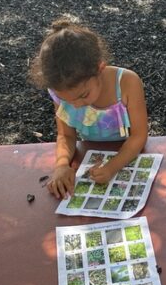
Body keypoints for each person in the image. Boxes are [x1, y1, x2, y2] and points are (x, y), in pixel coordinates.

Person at [30, 19, 148, 198]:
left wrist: (111, 168)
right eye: (66, 101)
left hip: (129, 152)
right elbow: (66, 135)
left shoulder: (127, 83)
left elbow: (139, 136)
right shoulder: (61, 88)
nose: (76, 105)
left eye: (83, 95)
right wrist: (62, 165)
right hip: (88, 153)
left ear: (100, 69)